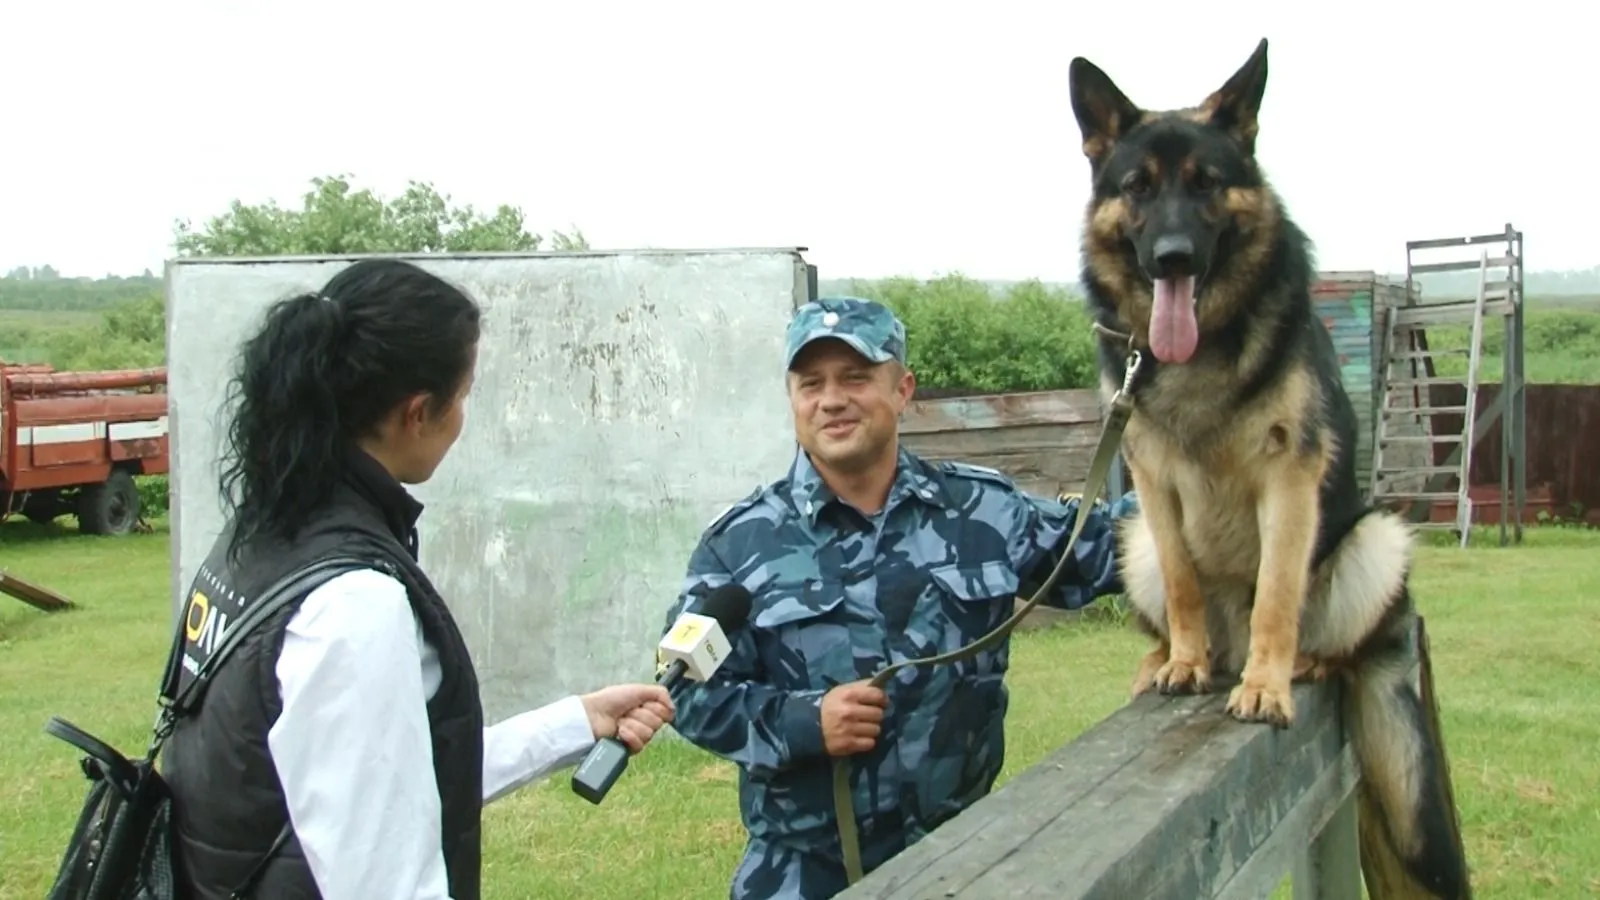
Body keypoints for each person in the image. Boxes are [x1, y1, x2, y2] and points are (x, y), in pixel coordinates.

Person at [160, 258, 675, 900]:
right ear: (416, 412)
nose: (462, 419)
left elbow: (378, 774)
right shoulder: (353, 600)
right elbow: (382, 877)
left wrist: (572, 724)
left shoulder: (261, 538)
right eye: (461, 397)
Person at [659, 296, 1140, 899]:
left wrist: (1235, 489)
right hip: (805, 876)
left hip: (961, 861)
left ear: (903, 389)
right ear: (793, 401)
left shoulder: (981, 511)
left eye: (855, 378)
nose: (832, 399)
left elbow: (1114, 547)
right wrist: (805, 722)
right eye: (811, 384)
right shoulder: (740, 544)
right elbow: (686, 692)